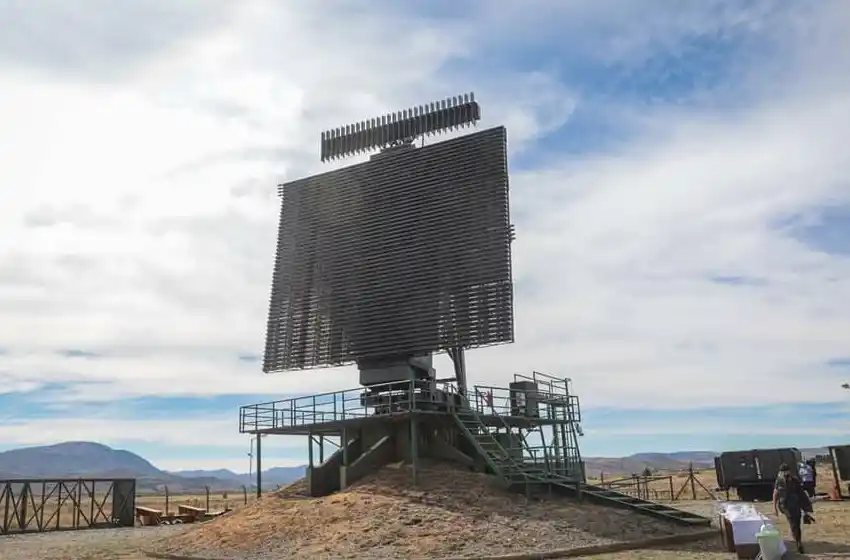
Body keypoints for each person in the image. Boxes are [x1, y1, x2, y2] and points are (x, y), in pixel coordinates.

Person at [774, 463, 814, 553]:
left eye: (786, 471)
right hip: (785, 506)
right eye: (783, 472)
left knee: (797, 524)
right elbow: (775, 493)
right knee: (793, 523)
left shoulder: (794, 480)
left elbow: (801, 494)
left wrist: (806, 509)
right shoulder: (779, 481)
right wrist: (775, 508)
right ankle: (798, 543)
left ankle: (798, 540)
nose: (785, 473)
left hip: (795, 505)